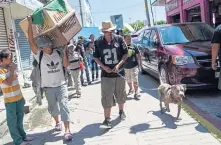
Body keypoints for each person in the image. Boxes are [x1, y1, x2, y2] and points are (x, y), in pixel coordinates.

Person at [27, 16, 72, 141]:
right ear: (41, 48)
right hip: (48, 88)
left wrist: (64, 52)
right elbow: (31, 41)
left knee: (64, 106)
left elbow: (66, 65)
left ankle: (67, 130)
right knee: (53, 108)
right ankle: (57, 122)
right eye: (47, 46)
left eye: (50, 45)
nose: (50, 47)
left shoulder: (57, 53)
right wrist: (30, 23)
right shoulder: (39, 55)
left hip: (61, 85)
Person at [94, 21, 128, 128]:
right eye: (106, 31)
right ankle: (107, 119)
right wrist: (104, 67)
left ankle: (121, 111)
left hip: (119, 73)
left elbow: (125, 54)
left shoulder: (119, 39)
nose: (109, 33)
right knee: (106, 96)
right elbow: (96, 57)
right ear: (103, 32)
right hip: (106, 75)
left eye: (110, 31)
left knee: (121, 94)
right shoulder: (98, 41)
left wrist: (118, 65)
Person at [0, 49, 34, 145]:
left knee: (20, 119)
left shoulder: (11, 67)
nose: (12, 59)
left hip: (18, 98)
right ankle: (18, 141)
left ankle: (23, 136)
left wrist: (22, 97)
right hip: (10, 101)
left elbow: (16, 81)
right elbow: (9, 83)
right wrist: (11, 71)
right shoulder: (1, 70)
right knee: (12, 122)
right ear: (3, 59)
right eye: (10, 57)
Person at [124, 34, 142, 99]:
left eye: (130, 39)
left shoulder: (134, 46)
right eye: (128, 39)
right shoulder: (122, 47)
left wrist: (140, 65)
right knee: (128, 80)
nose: (129, 40)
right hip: (125, 67)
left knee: (135, 79)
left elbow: (139, 55)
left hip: (134, 66)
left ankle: (136, 92)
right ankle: (131, 89)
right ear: (124, 39)